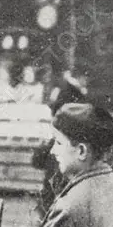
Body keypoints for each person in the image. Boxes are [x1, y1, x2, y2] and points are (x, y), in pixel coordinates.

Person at [33, 65, 90, 212]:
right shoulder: (71, 91)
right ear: (81, 76)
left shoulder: (65, 89)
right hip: (67, 138)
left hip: (63, 137)